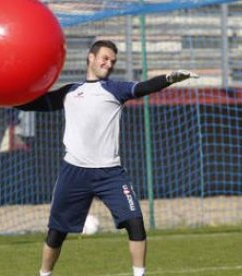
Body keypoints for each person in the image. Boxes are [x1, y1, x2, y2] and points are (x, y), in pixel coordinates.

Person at [15, 40, 198, 276]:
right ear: (90, 58)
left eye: (112, 61)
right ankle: (44, 274)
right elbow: (35, 104)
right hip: (74, 172)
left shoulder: (115, 90)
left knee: (135, 223)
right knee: (56, 232)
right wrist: (4, 96)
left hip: (110, 173)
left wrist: (170, 78)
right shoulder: (70, 91)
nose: (108, 63)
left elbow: (144, 87)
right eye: (104, 58)